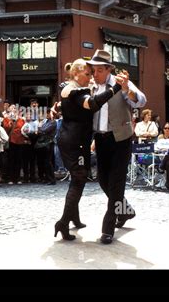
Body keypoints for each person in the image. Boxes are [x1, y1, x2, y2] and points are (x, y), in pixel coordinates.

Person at [54, 57, 125, 241]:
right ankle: (63, 222)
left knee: (78, 178)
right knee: (78, 179)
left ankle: (74, 218)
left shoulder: (67, 86)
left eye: (92, 73)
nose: (90, 77)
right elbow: (93, 104)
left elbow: (65, 104)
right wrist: (116, 88)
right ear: (76, 73)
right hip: (75, 142)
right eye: (87, 73)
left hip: (73, 140)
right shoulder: (76, 91)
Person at [88, 49, 147, 244]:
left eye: (98, 71)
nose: (94, 74)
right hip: (102, 139)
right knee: (103, 179)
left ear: (108, 70)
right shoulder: (93, 87)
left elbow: (141, 101)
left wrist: (126, 89)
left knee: (116, 182)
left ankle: (108, 227)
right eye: (93, 71)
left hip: (121, 138)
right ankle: (125, 210)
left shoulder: (120, 83)